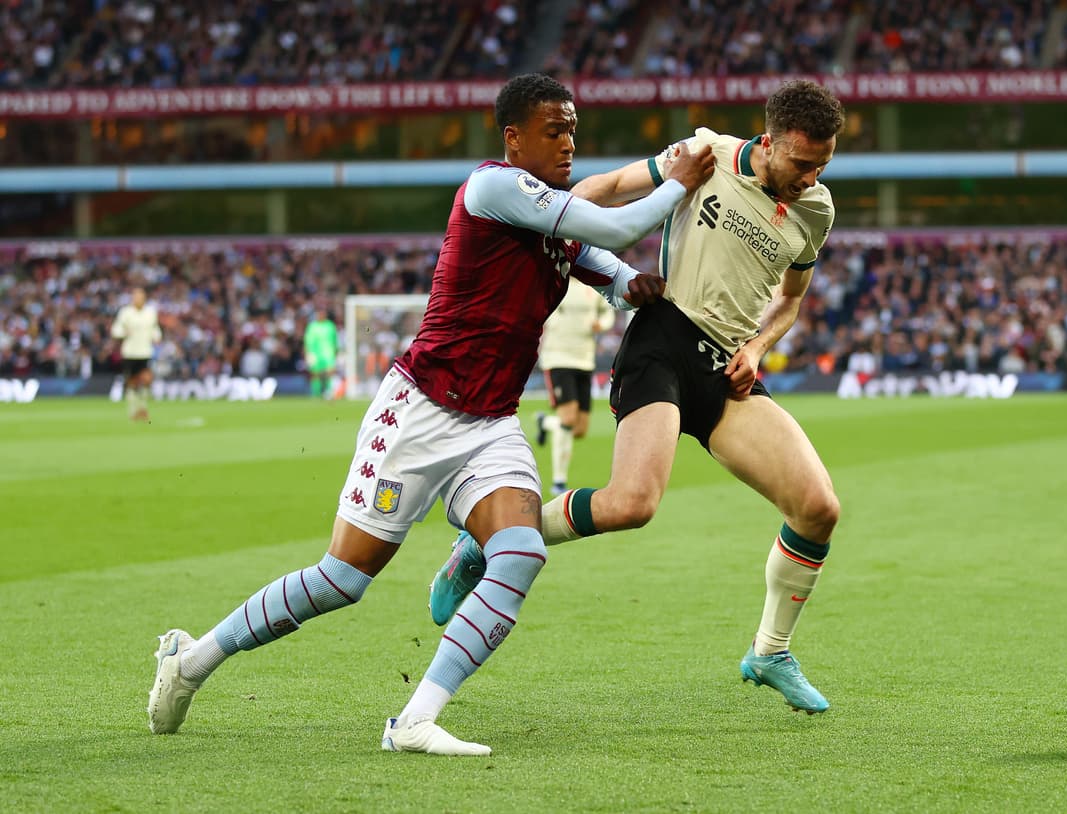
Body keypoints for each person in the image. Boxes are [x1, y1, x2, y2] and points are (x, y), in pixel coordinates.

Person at [146, 73, 715, 756]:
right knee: (342, 580)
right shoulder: (493, 187)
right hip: (419, 410)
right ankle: (191, 660)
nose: (569, 143)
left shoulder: (557, 226)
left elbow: (615, 272)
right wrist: (676, 181)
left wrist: (637, 286)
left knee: (521, 552)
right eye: (554, 130)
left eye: (573, 130)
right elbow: (620, 224)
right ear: (513, 138)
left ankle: (414, 720)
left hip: (490, 423)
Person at [431, 80, 845, 714]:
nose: (810, 177)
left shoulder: (816, 209)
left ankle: (770, 652)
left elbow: (790, 299)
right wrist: (552, 224)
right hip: (663, 342)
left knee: (818, 508)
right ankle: (484, 543)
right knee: (632, 504)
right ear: (768, 142)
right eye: (802, 163)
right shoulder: (706, 152)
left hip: (726, 368)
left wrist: (759, 347)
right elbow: (609, 187)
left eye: (823, 164)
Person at [534, 275, 615, 495]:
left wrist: (602, 324)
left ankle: (545, 423)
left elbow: (607, 312)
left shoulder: (593, 286)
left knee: (579, 429)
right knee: (568, 419)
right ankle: (559, 481)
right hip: (558, 358)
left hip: (584, 360)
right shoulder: (554, 282)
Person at [111, 286, 161, 421]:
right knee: (132, 382)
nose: (138, 299)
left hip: (145, 352)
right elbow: (116, 329)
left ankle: (143, 408)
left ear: (144, 298)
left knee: (146, 380)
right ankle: (133, 410)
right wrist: (123, 333)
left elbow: (155, 328)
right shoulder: (125, 312)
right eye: (135, 296)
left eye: (140, 297)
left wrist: (157, 336)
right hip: (130, 352)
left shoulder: (150, 312)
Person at [304, 309, 340, 398]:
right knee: (315, 373)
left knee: (329, 372)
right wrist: (307, 353)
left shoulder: (330, 326)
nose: (320, 315)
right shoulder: (312, 326)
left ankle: (328, 391)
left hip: (328, 353)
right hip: (315, 354)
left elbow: (335, 340)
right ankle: (316, 392)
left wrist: (336, 351)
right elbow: (307, 341)